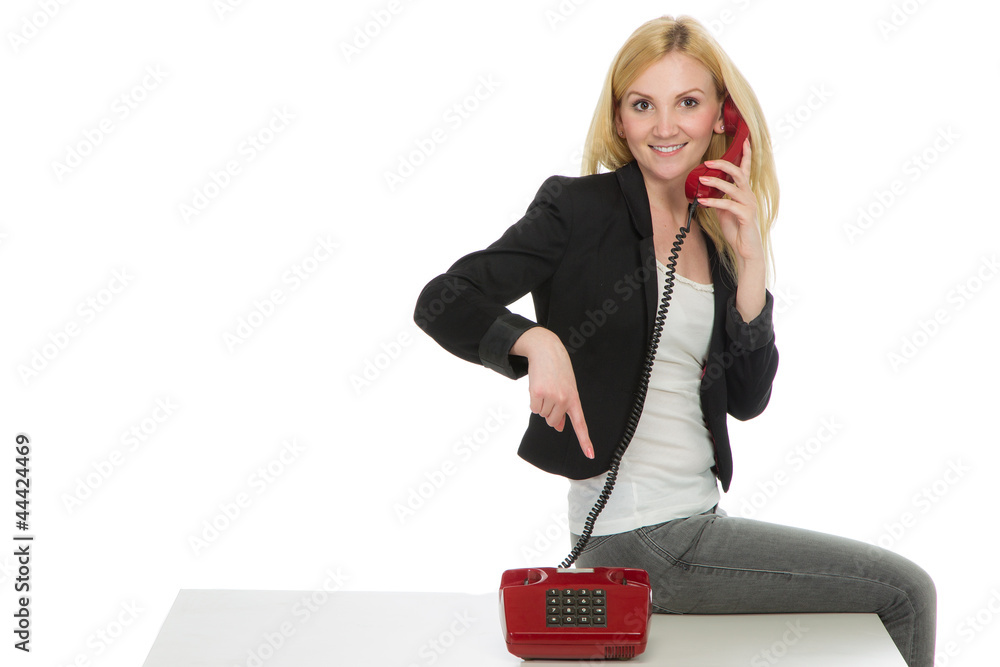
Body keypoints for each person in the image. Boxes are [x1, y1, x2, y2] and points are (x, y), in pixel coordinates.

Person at [413, 15, 935, 667]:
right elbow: (443, 299)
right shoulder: (578, 210)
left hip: (695, 523)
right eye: (643, 105)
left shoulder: (712, 236)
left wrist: (751, 263)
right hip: (641, 537)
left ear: (722, 117)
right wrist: (535, 341)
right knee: (906, 593)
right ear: (620, 117)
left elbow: (747, 399)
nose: (664, 127)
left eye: (687, 103)